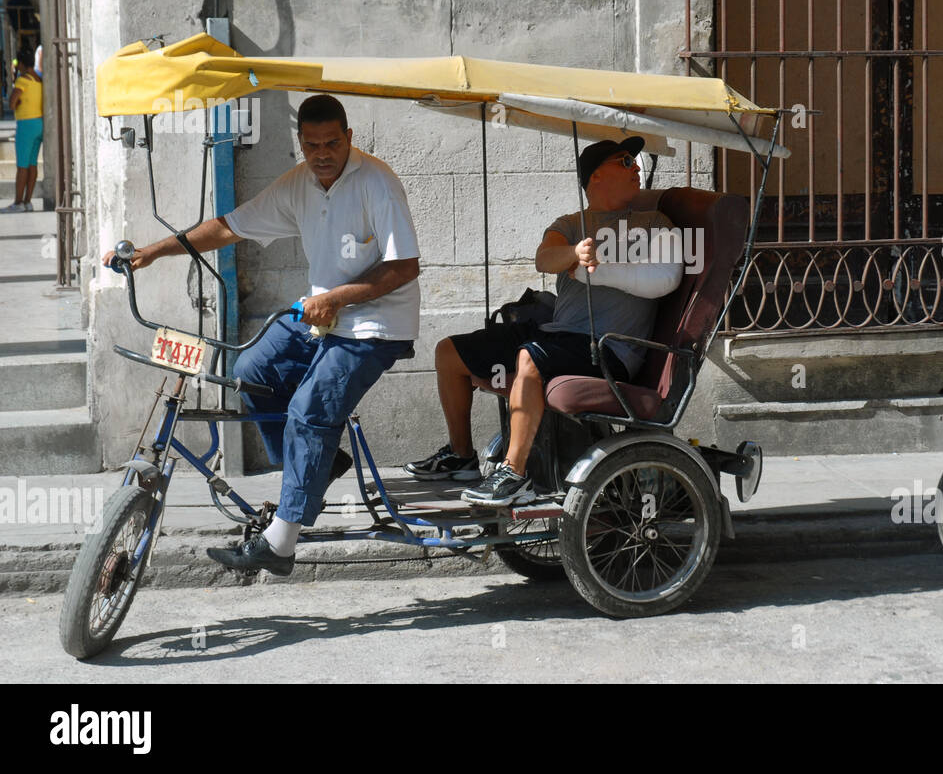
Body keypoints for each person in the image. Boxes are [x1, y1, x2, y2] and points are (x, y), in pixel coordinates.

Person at [101, 94, 420, 576]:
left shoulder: (378, 182)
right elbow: (229, 228)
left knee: (309, 410)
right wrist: (153, 252)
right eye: (312, 145)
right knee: (251, 368)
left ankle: (282, 544)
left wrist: (336, 298)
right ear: (302, 143)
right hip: (320, 316)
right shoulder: (300, 184)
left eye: (333, 142)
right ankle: (318, 466)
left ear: (349, 138)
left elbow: (404, 268)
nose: (323, 154)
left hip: (375, 324)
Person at [404, 136, 684, 506]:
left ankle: (513, 473)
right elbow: (544, 259)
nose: (635, 168)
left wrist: (598, 271)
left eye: (634, 162)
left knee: (530, 358)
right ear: (595, 177)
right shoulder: (569, 224)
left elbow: (667, 279)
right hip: (560, 334)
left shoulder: (654, 222)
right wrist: (574, 253)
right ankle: (462, 456)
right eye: (624, 162)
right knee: (449, 352)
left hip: (609, 347)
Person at [3, 49, 42, 213]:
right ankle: (27, 201)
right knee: (32, 164)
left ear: (22, 64)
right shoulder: (39, 79)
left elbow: (12, 103)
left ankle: (18, 202)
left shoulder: (23, 80)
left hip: (26, 125)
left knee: (22, 166)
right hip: (39, 124)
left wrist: (17, 104)